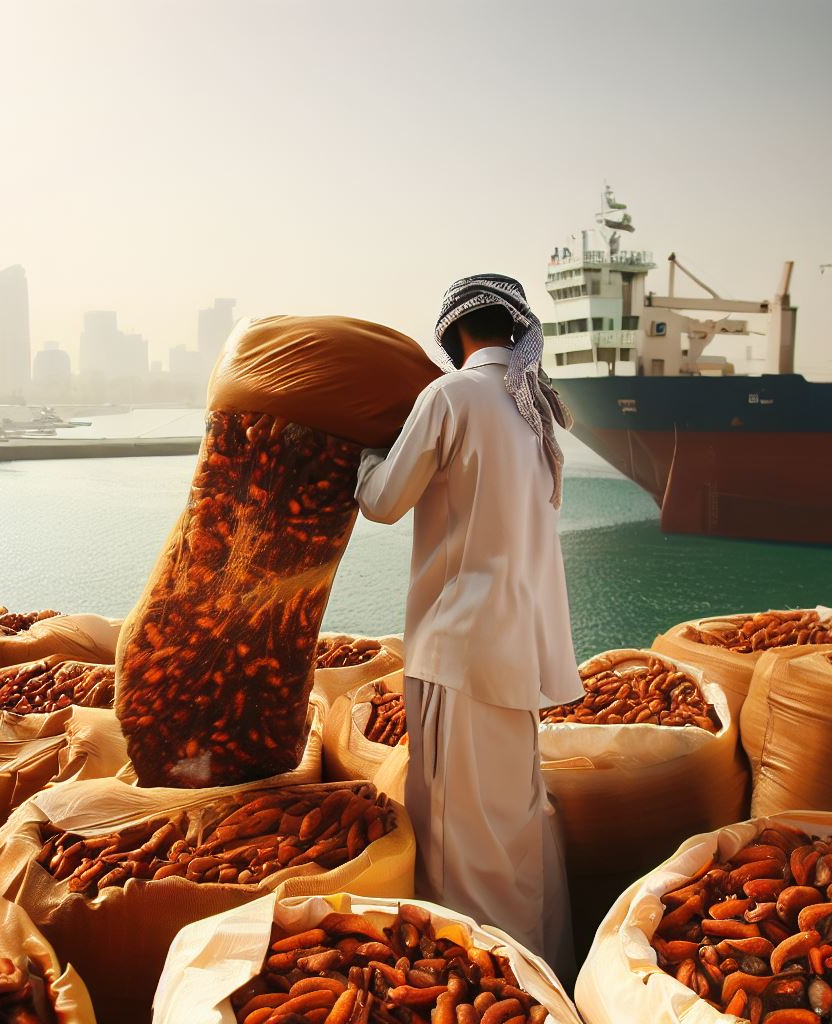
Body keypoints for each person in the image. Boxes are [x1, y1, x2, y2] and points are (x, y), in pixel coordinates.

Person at [354, 274, 583, 977]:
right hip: (520, 654)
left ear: (455, 336)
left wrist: (361, 460)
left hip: (459, 650)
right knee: (515, 830)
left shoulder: (450, 396)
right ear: (515, 332)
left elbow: (387, 501)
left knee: (459, 846)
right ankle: (544, 976)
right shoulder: (535, 411)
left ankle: (482, 982)